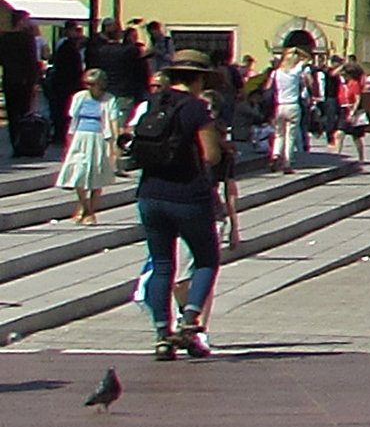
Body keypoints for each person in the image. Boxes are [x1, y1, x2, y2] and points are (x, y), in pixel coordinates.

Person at [127, 52, 236, 357]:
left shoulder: (152, 103)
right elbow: (210, 155)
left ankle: (162, 334)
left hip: (150, 193)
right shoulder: (196, 108)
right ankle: (189, 322)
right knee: (205, 259)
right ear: (199, 80)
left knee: (162, 265)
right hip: (188, 194)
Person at [57, 68, 116, 223]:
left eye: (92, 84)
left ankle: (90, 211)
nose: (88, 87)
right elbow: (72, 120)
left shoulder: (108, 99)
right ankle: (84, 205)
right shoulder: (79, 97)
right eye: (86, 83)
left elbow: (112, 121)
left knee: (97, 174)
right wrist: (68, 141)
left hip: (99, 138)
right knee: (78, 172)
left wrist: (113, 144)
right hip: (80, 137)